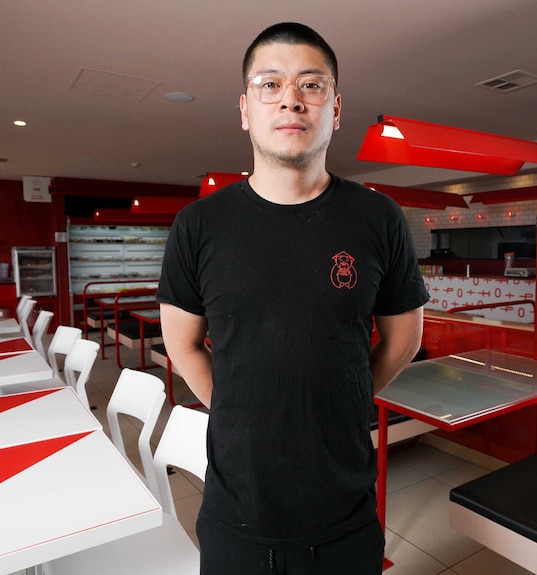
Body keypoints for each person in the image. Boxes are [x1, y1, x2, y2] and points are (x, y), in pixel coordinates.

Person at [156, 22, 429, 575]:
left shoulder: (378, 218)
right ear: (244, 108)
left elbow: (404, 339)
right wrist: (243, 410)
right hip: (237, 515)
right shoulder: (199, 225)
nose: (291, 100)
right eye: (270, 83)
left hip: (348, 514)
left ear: (335, 107)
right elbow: (182, 346)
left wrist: (339, 402)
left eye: (311, 85)